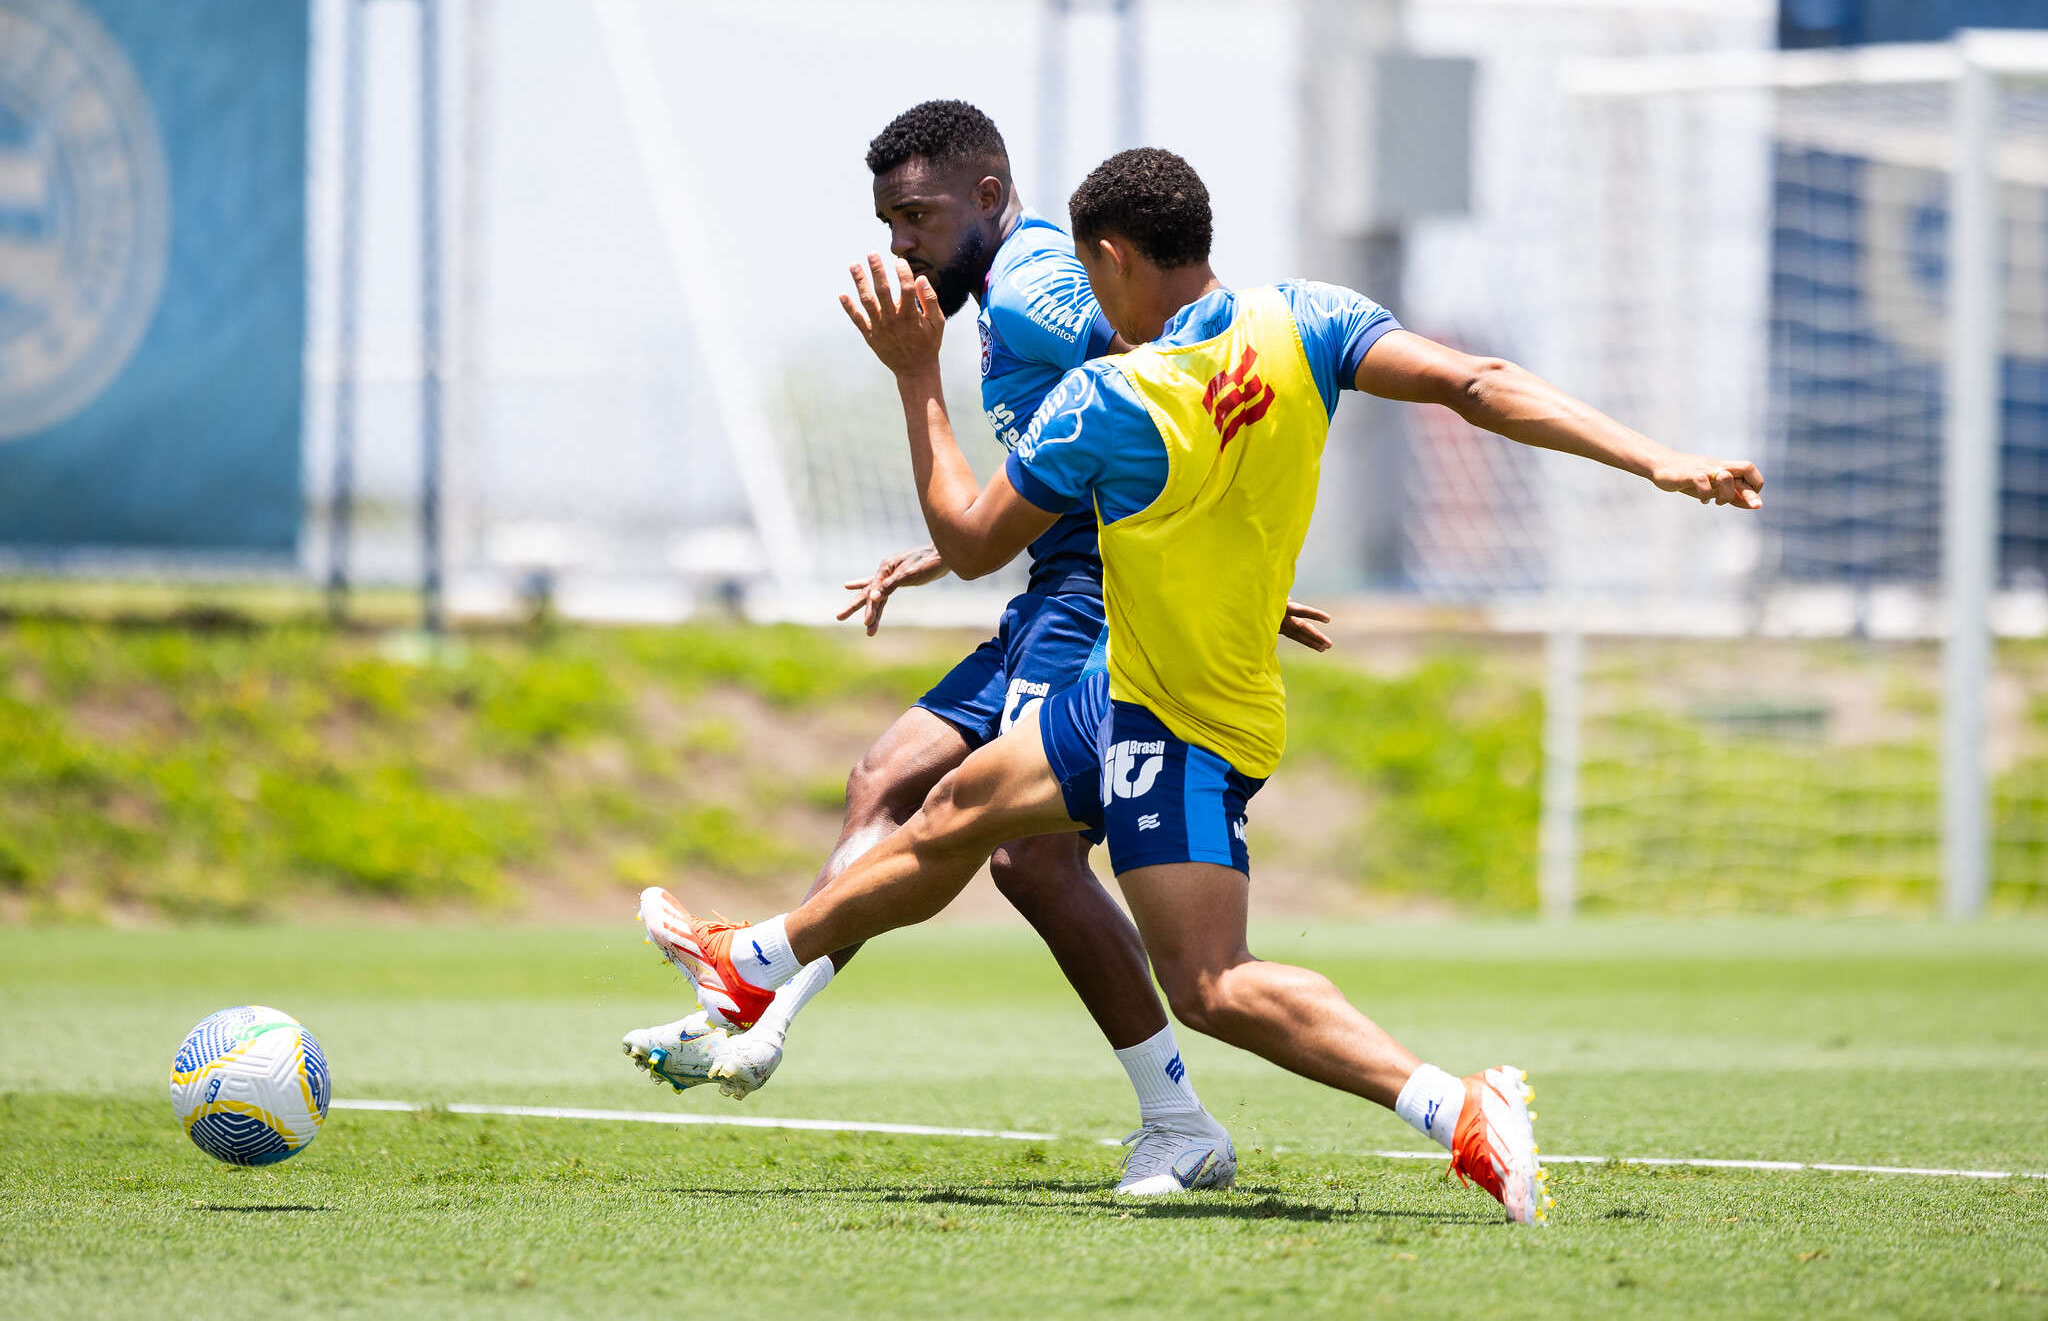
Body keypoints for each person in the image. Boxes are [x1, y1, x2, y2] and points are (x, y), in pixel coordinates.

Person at [642, 147, 1764, 1223]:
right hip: (1124, 686)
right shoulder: (1308, 317)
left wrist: (915, 378)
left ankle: (1457, 1108)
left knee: (1213, 984)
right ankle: (754, 966)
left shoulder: (1110, 399)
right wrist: (1653, 459)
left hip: (1182, 720)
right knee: (953, 810)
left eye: (1088, 275)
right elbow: (1477, 382)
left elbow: (976, 541)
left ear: (1114, 258)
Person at [623, 103, 1324, 1195]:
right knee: (885, 775)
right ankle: (758, 1004)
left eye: (916, 216)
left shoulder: (1041, 280)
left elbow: (1169, 375)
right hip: (1049, 592)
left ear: (988, 198)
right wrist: (936, 550)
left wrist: (1221, 550)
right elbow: (1082, 450)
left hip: (1099, 600)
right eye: (886, 220)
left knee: (1028, 857)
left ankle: (1175, 1120)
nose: (899, 242)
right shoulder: (1005, 291)